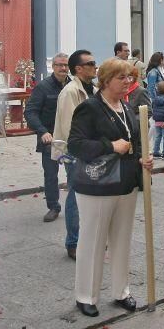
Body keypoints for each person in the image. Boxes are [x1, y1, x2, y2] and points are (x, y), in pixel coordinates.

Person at [68, 58, 153, 317]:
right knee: (93, 242)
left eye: (130, 77)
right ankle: (86, 295)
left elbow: (132, 144)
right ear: (105, 80)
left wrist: (142, 159)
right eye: (122, 78)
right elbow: (76, 145)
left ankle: (121, 291)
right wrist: (109, 145)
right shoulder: (90, 108)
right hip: (97, 186)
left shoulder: (126, 107)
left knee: (121, 240)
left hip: (125, 184)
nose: (128, 82)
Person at [53, 49, 96, 259]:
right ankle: (73, 243)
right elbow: (71, 127)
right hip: (76, 152)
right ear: (78, 68)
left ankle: (87, 240)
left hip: (91, 150)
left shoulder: (91, 88)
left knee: (89, 197)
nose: (95, 66)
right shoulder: (71, 92)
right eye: (91, 63)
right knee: (76, 197)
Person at [25, 52, 70, 223]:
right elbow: (30, 112)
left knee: (74, 173)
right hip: (51, 140)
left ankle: (76, 204)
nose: (63, 68)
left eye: (65, 65)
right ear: (53, 67)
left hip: (70, 138)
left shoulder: (73, 85)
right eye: (59, 65)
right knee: (51, 175)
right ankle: (53, 206)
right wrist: (42, 131)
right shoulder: (43, 87)